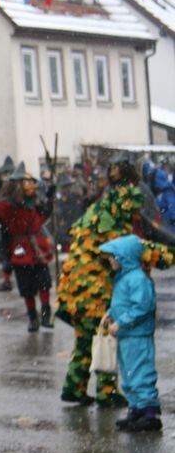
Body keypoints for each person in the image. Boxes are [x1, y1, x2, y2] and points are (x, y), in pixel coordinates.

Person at [56, 154, 175, 406]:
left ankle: (74, 387)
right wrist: (167, 254)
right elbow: (133, 248)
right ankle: (106, 392)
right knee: (104, 338)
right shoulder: (114, 221)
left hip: (75, 289)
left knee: (87, 339)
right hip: (93, 290)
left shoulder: (97, 211)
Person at [101, 236, 163, 432]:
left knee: (140, 373)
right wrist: (111, 314)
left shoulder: (137, 279)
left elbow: (142, 307)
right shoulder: (124, 277)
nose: (111, 260)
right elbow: (123, 302)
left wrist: (122, 322)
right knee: (128, 375)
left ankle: (150, 413)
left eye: (113, 257)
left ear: (124, 257)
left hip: (137, 335)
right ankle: (136, 409)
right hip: (127, 335)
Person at [0, 163, 54, 332]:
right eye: (25, 183)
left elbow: (43, 217)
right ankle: (32, 318)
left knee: (44, 283)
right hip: (21, 249)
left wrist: (50, 199)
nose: (30, 187)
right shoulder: (8, 207)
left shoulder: (34, 204)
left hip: (39, 249)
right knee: (27, 287)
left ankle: (45, 314)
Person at [0, 156, 16, 291]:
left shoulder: (17, 186)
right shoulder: (1, 188)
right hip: (6, 225)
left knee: (20, 254)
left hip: (18, 224)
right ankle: (7, 280)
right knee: (7, 253)